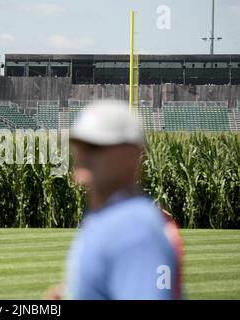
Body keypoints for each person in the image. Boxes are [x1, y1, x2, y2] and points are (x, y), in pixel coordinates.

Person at [47, 101, 183, 300]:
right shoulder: (109, 218)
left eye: (95, 146)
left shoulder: (133, 227)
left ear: (132, 155)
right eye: (79, 145)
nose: (83, 154)